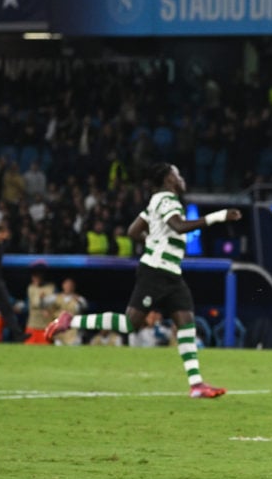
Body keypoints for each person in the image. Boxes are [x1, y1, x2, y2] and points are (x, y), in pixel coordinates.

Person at [45, 163, 240, 398]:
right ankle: (70, 321)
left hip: (170, 273)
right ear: (169, 179)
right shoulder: (167, 199)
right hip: (156, 272)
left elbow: (133, 231)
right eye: (177, 174)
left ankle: (196, 384)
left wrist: (153, 238)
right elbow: (178, 226)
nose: (181, 178)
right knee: (130, 324)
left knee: (186, 322)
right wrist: (220, 216)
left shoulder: (155, 201)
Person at [45, 278, 88, 346]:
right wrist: (46, 310)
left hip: (73, 330)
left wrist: (79, 302)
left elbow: (85, 307)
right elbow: (43, 303)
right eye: (67, 285)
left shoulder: (79, 298)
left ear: (74, 287)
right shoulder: (56, 297)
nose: (68, 287)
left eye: (70, 285)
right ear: (63, 286)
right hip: (59, 330)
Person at [24, 262, 57, 344]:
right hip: (33, 325)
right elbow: (35, 303)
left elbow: (52, 301)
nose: (36, 278)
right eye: (34, 276)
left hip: (45, 326)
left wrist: (44, 303)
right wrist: (40, 297)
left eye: (38, 276)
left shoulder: (50, 287)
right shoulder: (31, 288)